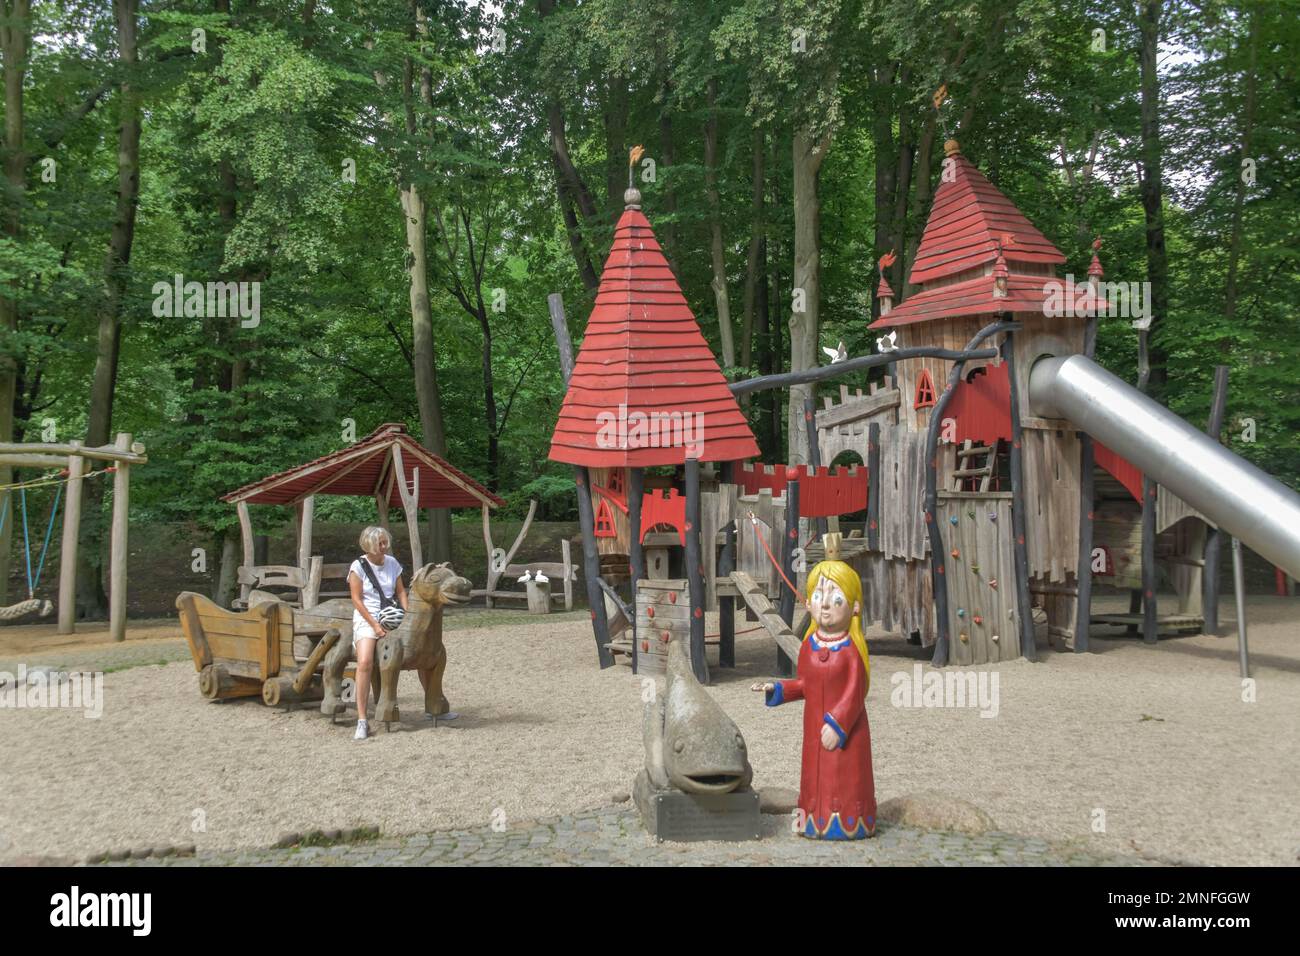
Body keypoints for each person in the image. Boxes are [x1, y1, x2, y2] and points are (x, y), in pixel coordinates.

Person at [752, 541, 876, 839]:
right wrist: (777, 688)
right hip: (813, 729)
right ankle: (812, 820)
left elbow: (855, 693)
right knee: (815, 775)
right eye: (818, 596)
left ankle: (849, 822)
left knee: (841, 777)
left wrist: (838, 725)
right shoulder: (809, 646)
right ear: (808, 603)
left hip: (843, 735)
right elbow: (804, 684)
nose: (824, 605)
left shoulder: (850, 651)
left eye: (835, 599)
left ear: (855, 606)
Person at [348, 526, 408, 740]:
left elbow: (400, 591)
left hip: (392, 614)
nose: (385, 546)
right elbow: (356, 599)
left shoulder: (392, 563)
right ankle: (362, 720)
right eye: (380, 543)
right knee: (364, 662)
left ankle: (435, 703)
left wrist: (406, 615)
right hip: (368, 617)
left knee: (420, 646)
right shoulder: (358, 566)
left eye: (385, 542)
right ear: (370, 545)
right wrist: (374, 625)